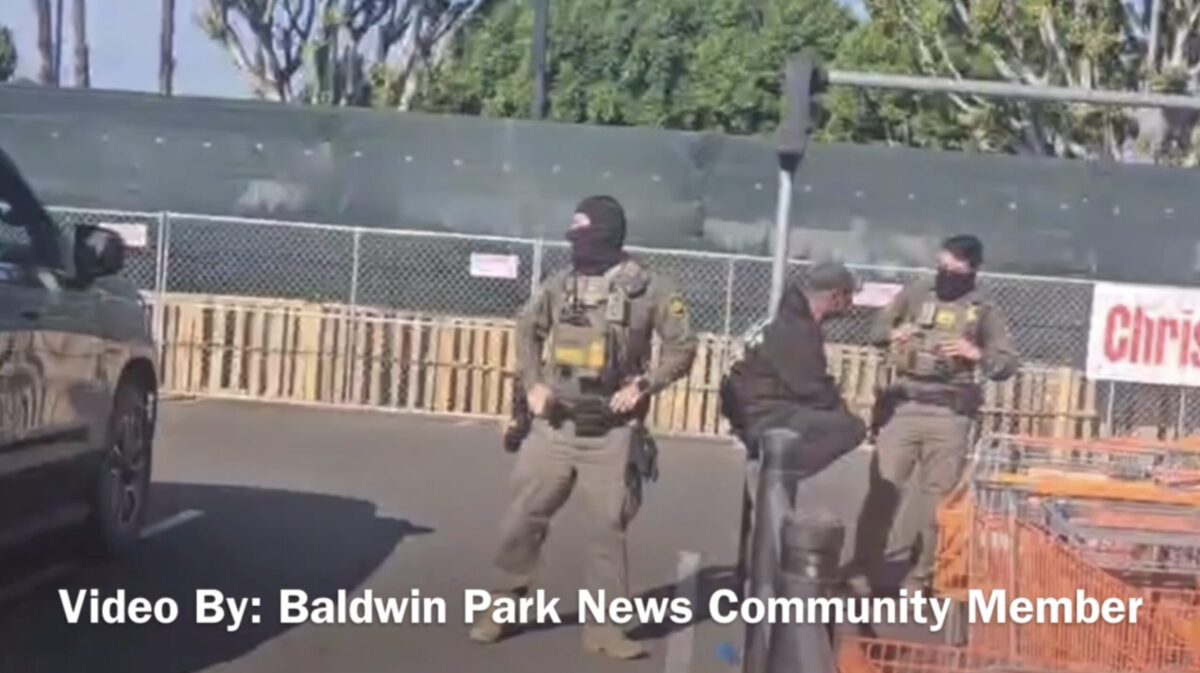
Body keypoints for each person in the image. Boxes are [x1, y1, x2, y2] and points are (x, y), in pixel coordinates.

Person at [469, 195, 697, 659]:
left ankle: (605, 630)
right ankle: (501, 607)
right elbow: (526, 330)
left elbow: (683, 347)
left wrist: (645, 385)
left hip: (611, 432)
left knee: (606, 531)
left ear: (608, 237)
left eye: (585, 237)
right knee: (522, 519)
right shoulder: (559, 284)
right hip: (554, 425)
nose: (577, 247)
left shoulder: (651, 289)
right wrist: (533, 384)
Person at [847, 235, 1019, 593]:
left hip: (950, 414)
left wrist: (976, 354)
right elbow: (876, 330)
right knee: (883, 492)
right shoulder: (917, 292)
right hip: (905, 405)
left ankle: (920, 576)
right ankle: (864, 571)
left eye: (955, 269)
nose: (946, 275)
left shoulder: (984, 307)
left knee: (937, 504)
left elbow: (1007, 363)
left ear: (972, 269)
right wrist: (896, 333)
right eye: (942, 267)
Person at [721, 261, 867, 473]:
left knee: (828, 419)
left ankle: (774, 465)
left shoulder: (784, 319)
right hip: (763, 415)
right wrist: (842, 409)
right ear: (835, 297)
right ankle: (777, 470)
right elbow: (812, 390)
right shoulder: (797, 331)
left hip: (749, 409)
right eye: (849, 296)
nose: (851, 304)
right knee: (851, 428)